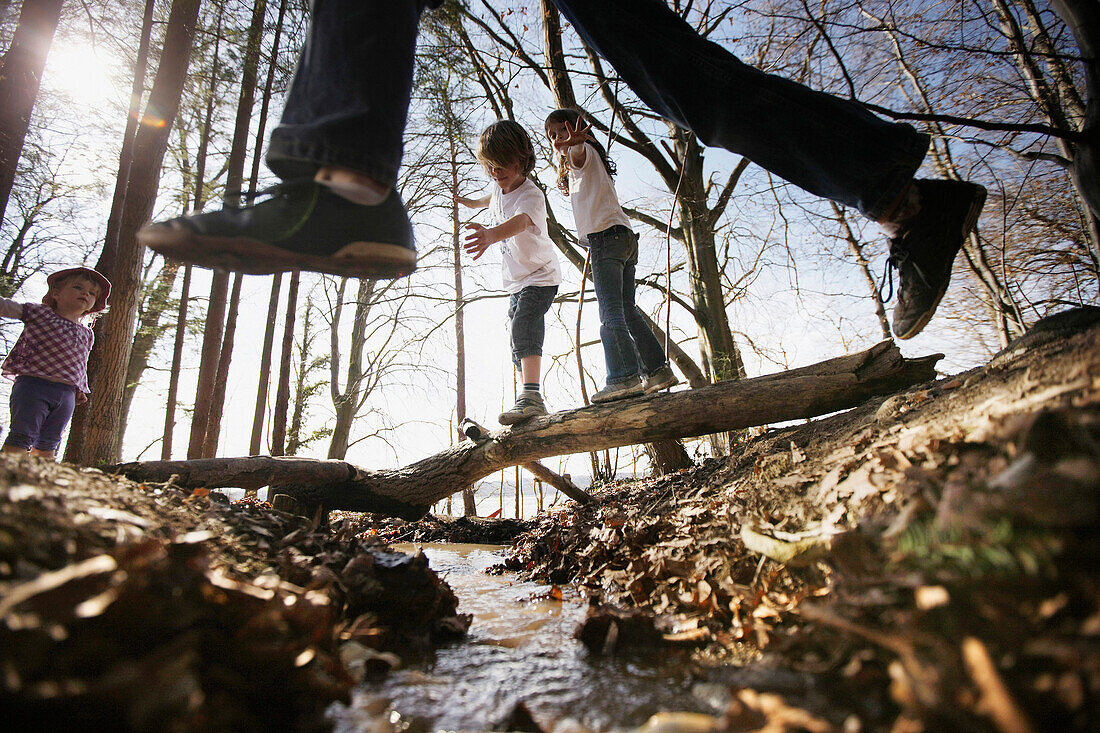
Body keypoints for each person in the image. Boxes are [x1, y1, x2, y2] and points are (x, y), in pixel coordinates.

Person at [137, 0, 984, 340]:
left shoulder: (563, 166)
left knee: (686, 87)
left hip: (609, 243)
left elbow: (550, 188)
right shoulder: (538, 173)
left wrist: (543, 169)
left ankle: (899, 196)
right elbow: (523, 195)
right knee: (685, 87)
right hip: (585, 238)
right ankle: (344, 186)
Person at [545, 108, 679, 403]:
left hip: (607, 239)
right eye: (552, 136)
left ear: (580, 133)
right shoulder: (591, 164)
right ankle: (657, 370)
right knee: (627, 309)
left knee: (610, 312)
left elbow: (577, 154)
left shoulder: (582, 153)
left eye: (562, 132)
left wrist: (574, 144)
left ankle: (623, 377)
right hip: (624, 239)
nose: (558, 140)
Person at [456, 120, 563, 425]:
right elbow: (492, 198)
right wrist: (472, 202)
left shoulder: (531, 195)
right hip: (517, 281)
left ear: (521, 159)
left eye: (502, 166)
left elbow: (521, 221)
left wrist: (490, 235)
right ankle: (525, 397)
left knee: (524, 325)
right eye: (490, 166)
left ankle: (532, 396)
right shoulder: (498, 186)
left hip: (540, 275)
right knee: (515, 336)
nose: (496, 173)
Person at [0, 266, 111, 460]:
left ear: (92, 305)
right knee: (22, 433)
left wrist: (80, 388)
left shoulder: (87, 334)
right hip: (33, 386)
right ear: (56, 294)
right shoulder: (40, 313)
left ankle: (43, 478)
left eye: (92, 293)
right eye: (78, 287)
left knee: (50, 440)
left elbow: (80, 362)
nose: (85, 293)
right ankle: (8, 470)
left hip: (66, 394)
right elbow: (8, 307)